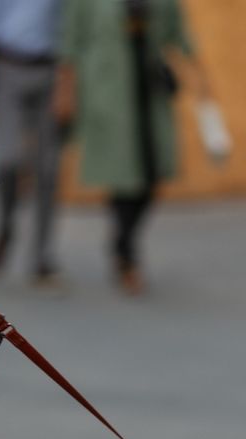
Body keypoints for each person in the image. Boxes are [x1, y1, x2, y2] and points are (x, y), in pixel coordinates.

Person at [56, 0, 207, 295]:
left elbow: (177, 31)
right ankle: (125, 253)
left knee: (152, 174)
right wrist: (66, 91)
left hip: (149, 91)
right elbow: (70, 43)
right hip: (108, 91)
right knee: (122, 173)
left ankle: (123, 241)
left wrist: (199, 73)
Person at [0, 0, 64, 285]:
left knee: (48, 168)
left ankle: (43, 256)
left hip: (52, 69)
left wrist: (68, 80)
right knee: (8, 159)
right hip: (7, 66)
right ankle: (6, 227)